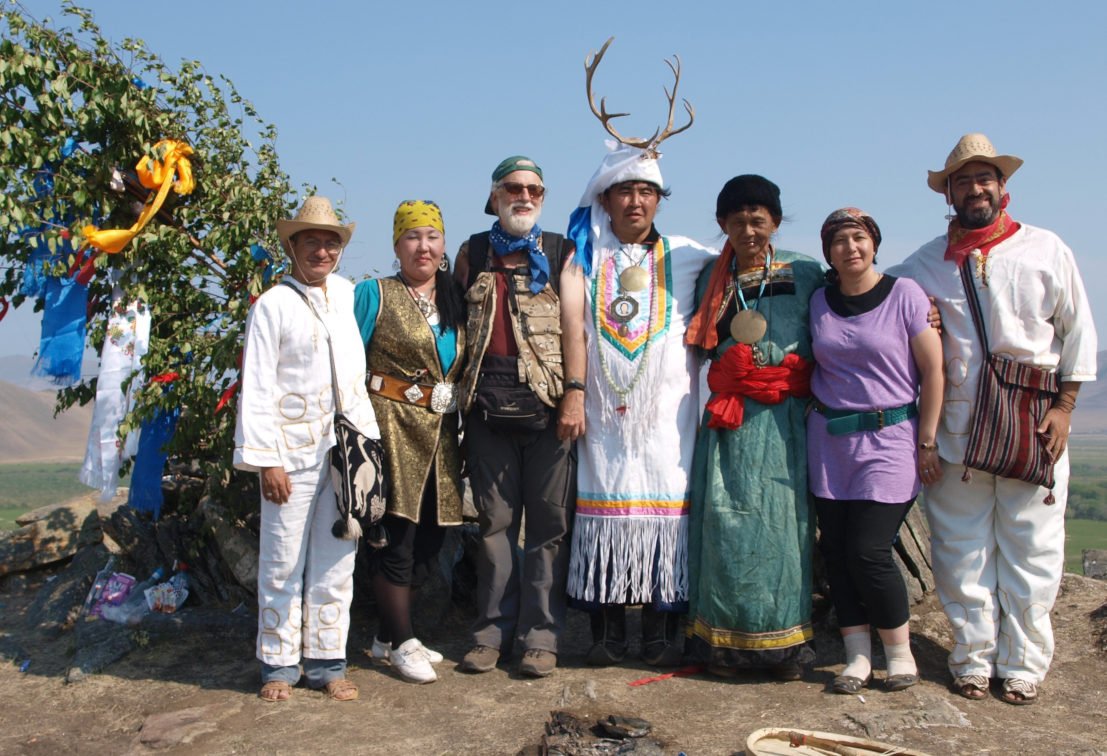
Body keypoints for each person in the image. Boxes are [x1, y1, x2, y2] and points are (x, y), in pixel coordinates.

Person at [888, 133, 1097, 705]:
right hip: (957, 430)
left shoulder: (1047, 248)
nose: (975, 188)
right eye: (963, 180)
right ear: (948, 193)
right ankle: (973, 657)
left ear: (1003, 187)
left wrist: (1066, 408)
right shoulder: (924, 263)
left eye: (985, 178)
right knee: (960, 550)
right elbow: (876, 297)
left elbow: (1078, 331)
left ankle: (1024, 663)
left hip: (1032, 425)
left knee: (1033, 547)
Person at [565, 134, 715, 666]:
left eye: (647, 191)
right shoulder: (583, 257)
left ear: (659, 199)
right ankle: (606, 636)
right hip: (603, 414)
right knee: (603, 508)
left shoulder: (690, 254)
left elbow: (752, 272)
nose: (636, 201)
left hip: (666, 417)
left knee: (665, 514)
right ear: (603, 199)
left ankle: (658, 634)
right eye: (624, 191)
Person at [234, 196, 376, 702]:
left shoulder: (345, 295)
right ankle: (278, 665)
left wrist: (368, 449)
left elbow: (356, 378)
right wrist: (266, 459)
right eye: (312, 240)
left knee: (338, 556)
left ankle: (326, 662)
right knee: (281, 558)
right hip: (289, 455)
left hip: (344, 455)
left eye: (331, 241)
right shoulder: (272, 304)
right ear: (292, 245)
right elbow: (257, 385)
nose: (322, 250)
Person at [683, 175, 823, 680]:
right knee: (725, 520)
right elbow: (698, 345)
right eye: (737, 220)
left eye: (758, 219)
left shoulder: (807, 272)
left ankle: (785, 643)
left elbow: (848, 311)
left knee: (784, 526)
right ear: (722, 224)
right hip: (729, 418)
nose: (748, 229)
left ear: (776, 223)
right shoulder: (709, 281)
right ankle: (722, 643)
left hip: (786, 420)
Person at [452, 156, 585, 678]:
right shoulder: (473, 251)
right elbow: (455, 325)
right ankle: (491, 633)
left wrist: (575, 393)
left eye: (534, 189)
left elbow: (575, 327)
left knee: (549, 527)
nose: (524, 196)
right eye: (513, 187)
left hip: (550, 408)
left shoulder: (560, 251)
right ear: (495, 195)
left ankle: (542, 636)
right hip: (487, 409)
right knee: (494, 525)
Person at [807, 207, 944, 694]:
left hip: (890, 439)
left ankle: (900, 654)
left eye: (859, 237)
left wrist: (927, 441)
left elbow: (933, 371)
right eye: (840, 240)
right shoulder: (819, 300)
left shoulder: (905, 295)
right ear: (829, 252)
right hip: (829, 442)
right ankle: (857, 658)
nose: (851, 247)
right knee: (838, 552)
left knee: (869, 551)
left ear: (874, 243)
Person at [352, 200, 466, 684]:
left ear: (444, 246)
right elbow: (347, 363)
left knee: (430, 542)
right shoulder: (373, 293)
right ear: (396, 246)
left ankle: (384, 636)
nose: (424, 246)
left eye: (432, 237)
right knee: (393, 540)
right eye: (412, 237)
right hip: (389, 430)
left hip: (441, 438)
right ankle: (402, 643)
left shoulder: (456, 299)